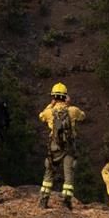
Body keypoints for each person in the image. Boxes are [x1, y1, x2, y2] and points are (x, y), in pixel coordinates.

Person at [37, 81, 86, 209]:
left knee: (49, 173)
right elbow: (83, 116)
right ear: (65, 96)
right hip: (69, 147)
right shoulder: (73, 111)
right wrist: (69, 105)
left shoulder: (49, 112)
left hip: (54, 147)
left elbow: (41, 116)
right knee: (68, 175)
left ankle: (43, 201)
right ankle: (66, 202)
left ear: (53, 97)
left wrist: (50, 105)